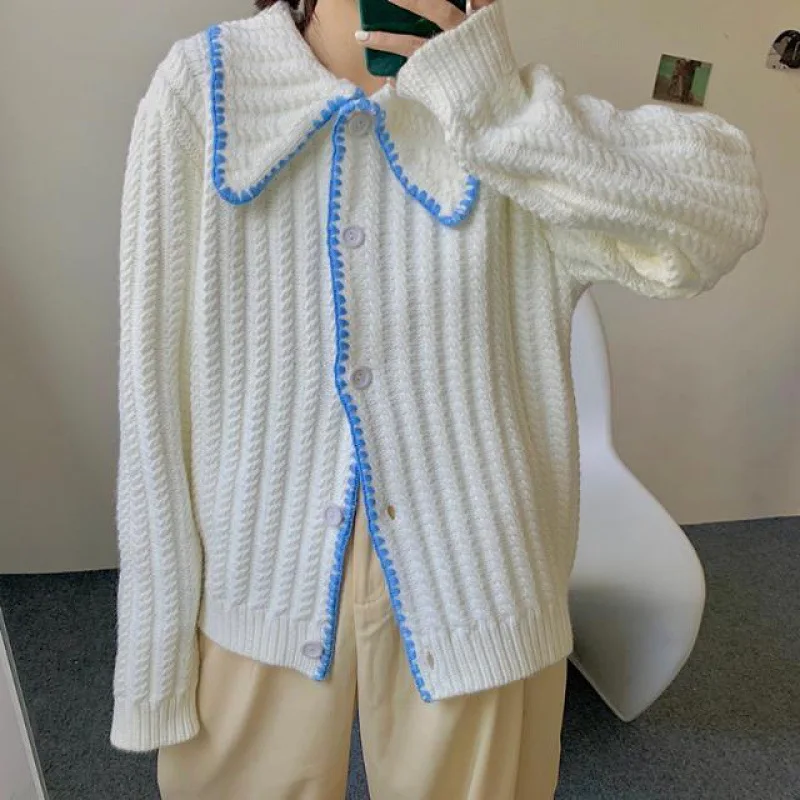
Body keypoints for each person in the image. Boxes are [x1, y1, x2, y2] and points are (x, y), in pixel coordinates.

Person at [110, 0, 767, 797]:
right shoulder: (205, 89)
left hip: (482, 583)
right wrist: (153, 657)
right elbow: (151, 395)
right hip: (256, 575)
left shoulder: (506, 113)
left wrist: (494, 107)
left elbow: (722, 209)